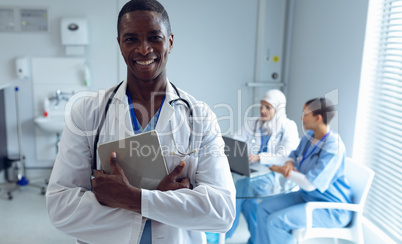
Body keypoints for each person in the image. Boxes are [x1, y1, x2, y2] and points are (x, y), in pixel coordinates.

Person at [46, 1, 235, 243]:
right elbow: (60, 207)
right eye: (131, 39)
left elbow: (222, 212)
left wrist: (132, 198)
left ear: (170, 42)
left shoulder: (200, 116)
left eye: (154, 37)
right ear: (120, 45)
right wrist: (162, 203)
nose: (144, 49)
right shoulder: (87, 112)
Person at [255, 98, 353, 244]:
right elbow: (294, 155)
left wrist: (284, 171)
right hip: (307, 197)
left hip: (331, 208)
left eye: (305, 114)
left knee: (277, 222)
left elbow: (309, 184)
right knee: (262, 208)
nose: (302, 117)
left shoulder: (334, 147)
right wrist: (289, 163)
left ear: (318, 118)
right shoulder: (310, 138)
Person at [225, 89, 299, 244]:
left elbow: (286, 155)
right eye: (261, 106)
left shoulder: (288, 126)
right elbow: (236, 141)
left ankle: (224, 234)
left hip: (275, 176)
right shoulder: (253, 122)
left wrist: (260, 157)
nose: (262, 110)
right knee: (248, 203)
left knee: (241, 189)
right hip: (252, 171)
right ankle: (256, 240)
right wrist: (239, 154)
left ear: (278, 109)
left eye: (268, 107)